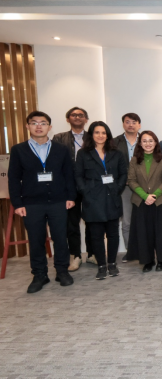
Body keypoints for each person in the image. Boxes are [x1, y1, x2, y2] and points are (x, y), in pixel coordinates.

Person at [8, 111, 76, 293]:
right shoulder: (18, 150)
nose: (39, 126)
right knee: (36, 239)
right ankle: (39, 275)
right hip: (31, 203)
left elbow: (69, 175)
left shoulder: (61, 149)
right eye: (34, 123)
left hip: (58, 201)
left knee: (60, 238)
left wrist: (71, 197)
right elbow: (13, 178)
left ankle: (62, 271)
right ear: (28, 126)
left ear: (49, 127)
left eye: (43, 123)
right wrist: (17, 203)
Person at [75, 122, 128, 280]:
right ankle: (101, 265)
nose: (100, 135)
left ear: (108, 135)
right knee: (96, 236)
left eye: (103, 133)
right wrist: (86, 192)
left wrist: (117, 188)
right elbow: (78, 176)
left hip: (112, 197)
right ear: (91, 135)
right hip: (93, 199)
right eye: (97, 132)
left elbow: (123, 174)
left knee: (113, 234)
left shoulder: (116, 153)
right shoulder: (83, 154)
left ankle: (112, 263)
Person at [125, 131, 162, 272]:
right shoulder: (134, 160)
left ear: (156, 143)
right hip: (141, 202)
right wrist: (145, 196)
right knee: (143, 233)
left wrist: (154, 195)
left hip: (160, 201)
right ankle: (148, 261)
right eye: (145, 141)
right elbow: (131, 181)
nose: (148, 144)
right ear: (140, 143)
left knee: (161, 232)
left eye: (151, 140)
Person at [52, 106, 92, 270]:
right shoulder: (59, 138)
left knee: (92, 220)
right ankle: (76, 255)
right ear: (68, 119)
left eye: (81, 115)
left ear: (86, 119)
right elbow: (55, 162)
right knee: (71, 223)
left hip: (90, 185)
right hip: (68, 186)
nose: (77, 117)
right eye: (73, 115)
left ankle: (92, 254)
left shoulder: (93, 136)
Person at [113, 113, 141, 261]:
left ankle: (144, 249)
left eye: (134, 122)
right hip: (124, 187)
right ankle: (131, 251)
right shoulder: (114, 142)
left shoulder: (145, 140)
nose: (131, 125)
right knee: (127, 221)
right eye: (127, 122)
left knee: (144, 219)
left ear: (139, 125)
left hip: (143, 186)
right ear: (123, 124)